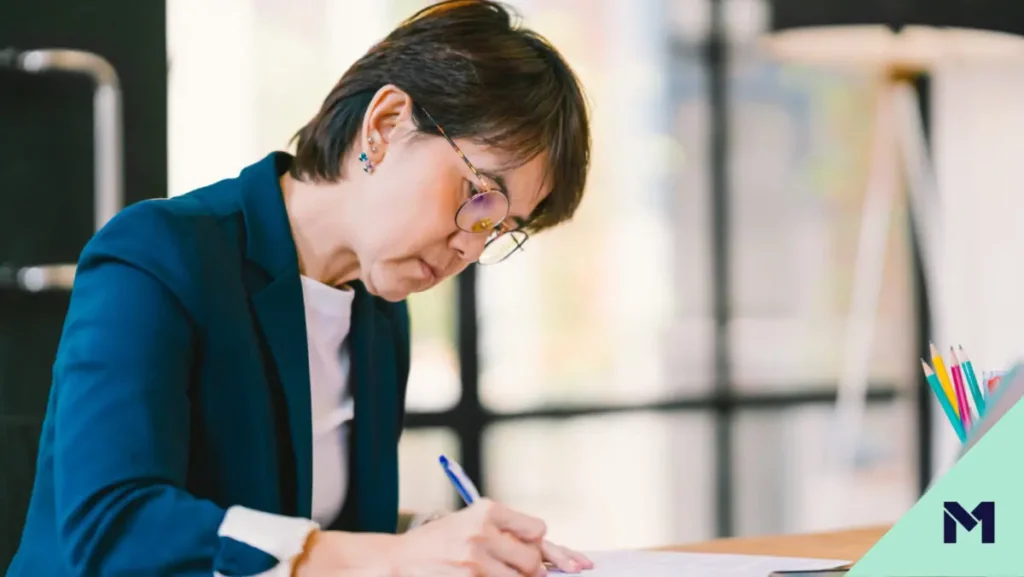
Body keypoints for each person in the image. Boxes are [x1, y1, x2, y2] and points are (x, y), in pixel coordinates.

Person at [6, 1, 594, 576]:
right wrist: (393, 559)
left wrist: (440, 542)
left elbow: (307, 526)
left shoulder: (378, 313)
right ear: (386, 124)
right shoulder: (160, 252)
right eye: (479, 196)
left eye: (499, 229)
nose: (471, 246)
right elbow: (115, 527)